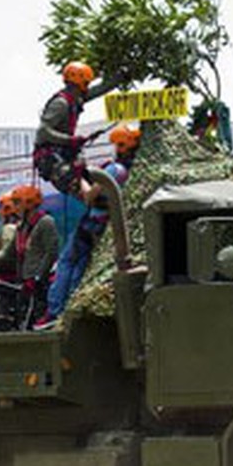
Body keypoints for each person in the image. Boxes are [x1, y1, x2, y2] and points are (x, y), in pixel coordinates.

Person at [44, 124, 141, 322]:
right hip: (107, 225)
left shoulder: (115, 170)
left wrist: (79, 176)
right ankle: (68, 308)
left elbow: (89, 196)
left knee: (67, 262)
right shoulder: (133, 170)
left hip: (94, 222)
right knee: (79, 266)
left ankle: (55, 311)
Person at [32, 61, 120, 206]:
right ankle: (89, 193)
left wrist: (118, 79)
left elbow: (97, 91)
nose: (87, 88)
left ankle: (93, 194)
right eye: (86, 83)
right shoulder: (61, 103)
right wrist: (70, 140)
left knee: (82, 172)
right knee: (71, 178)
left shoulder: (76, 98)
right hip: (50, 155)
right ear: (78, 83)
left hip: (64, 151)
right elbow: (43, 132)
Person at [0, 184, 58, 328]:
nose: (14, 207)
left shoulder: (45, 223)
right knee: (23, 323)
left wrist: (38, 277)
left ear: (28, 203)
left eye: (17, 203)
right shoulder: (21, 228)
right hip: (25, 284)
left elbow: (51, 253)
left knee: (37, 321)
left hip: (41, 285)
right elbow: (7, 255)